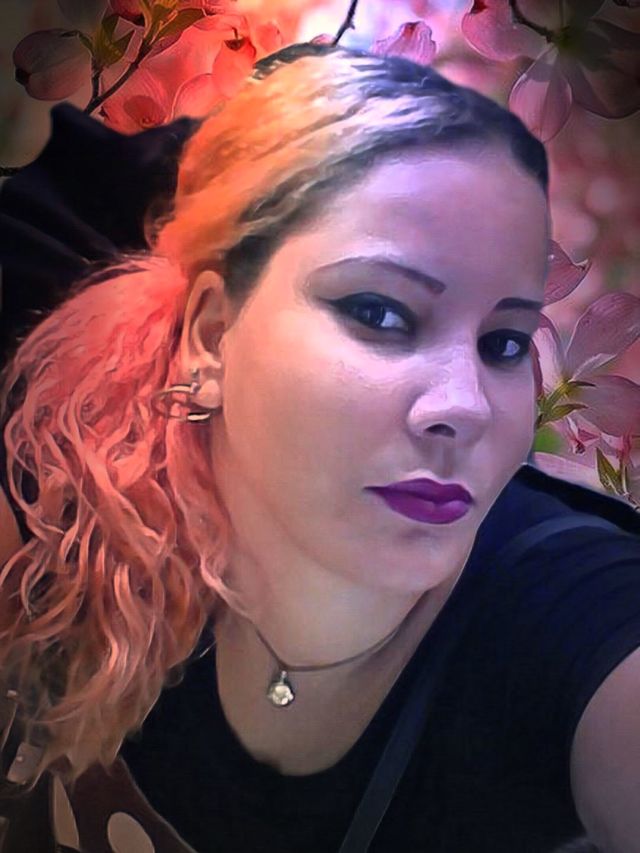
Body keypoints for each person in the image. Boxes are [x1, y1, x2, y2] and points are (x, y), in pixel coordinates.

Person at [0, 40, 639, 853]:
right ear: (210, 336)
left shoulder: (565, 605)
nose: (466, 404)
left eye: (505, 343)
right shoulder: (73, 495)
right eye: (380, 312)